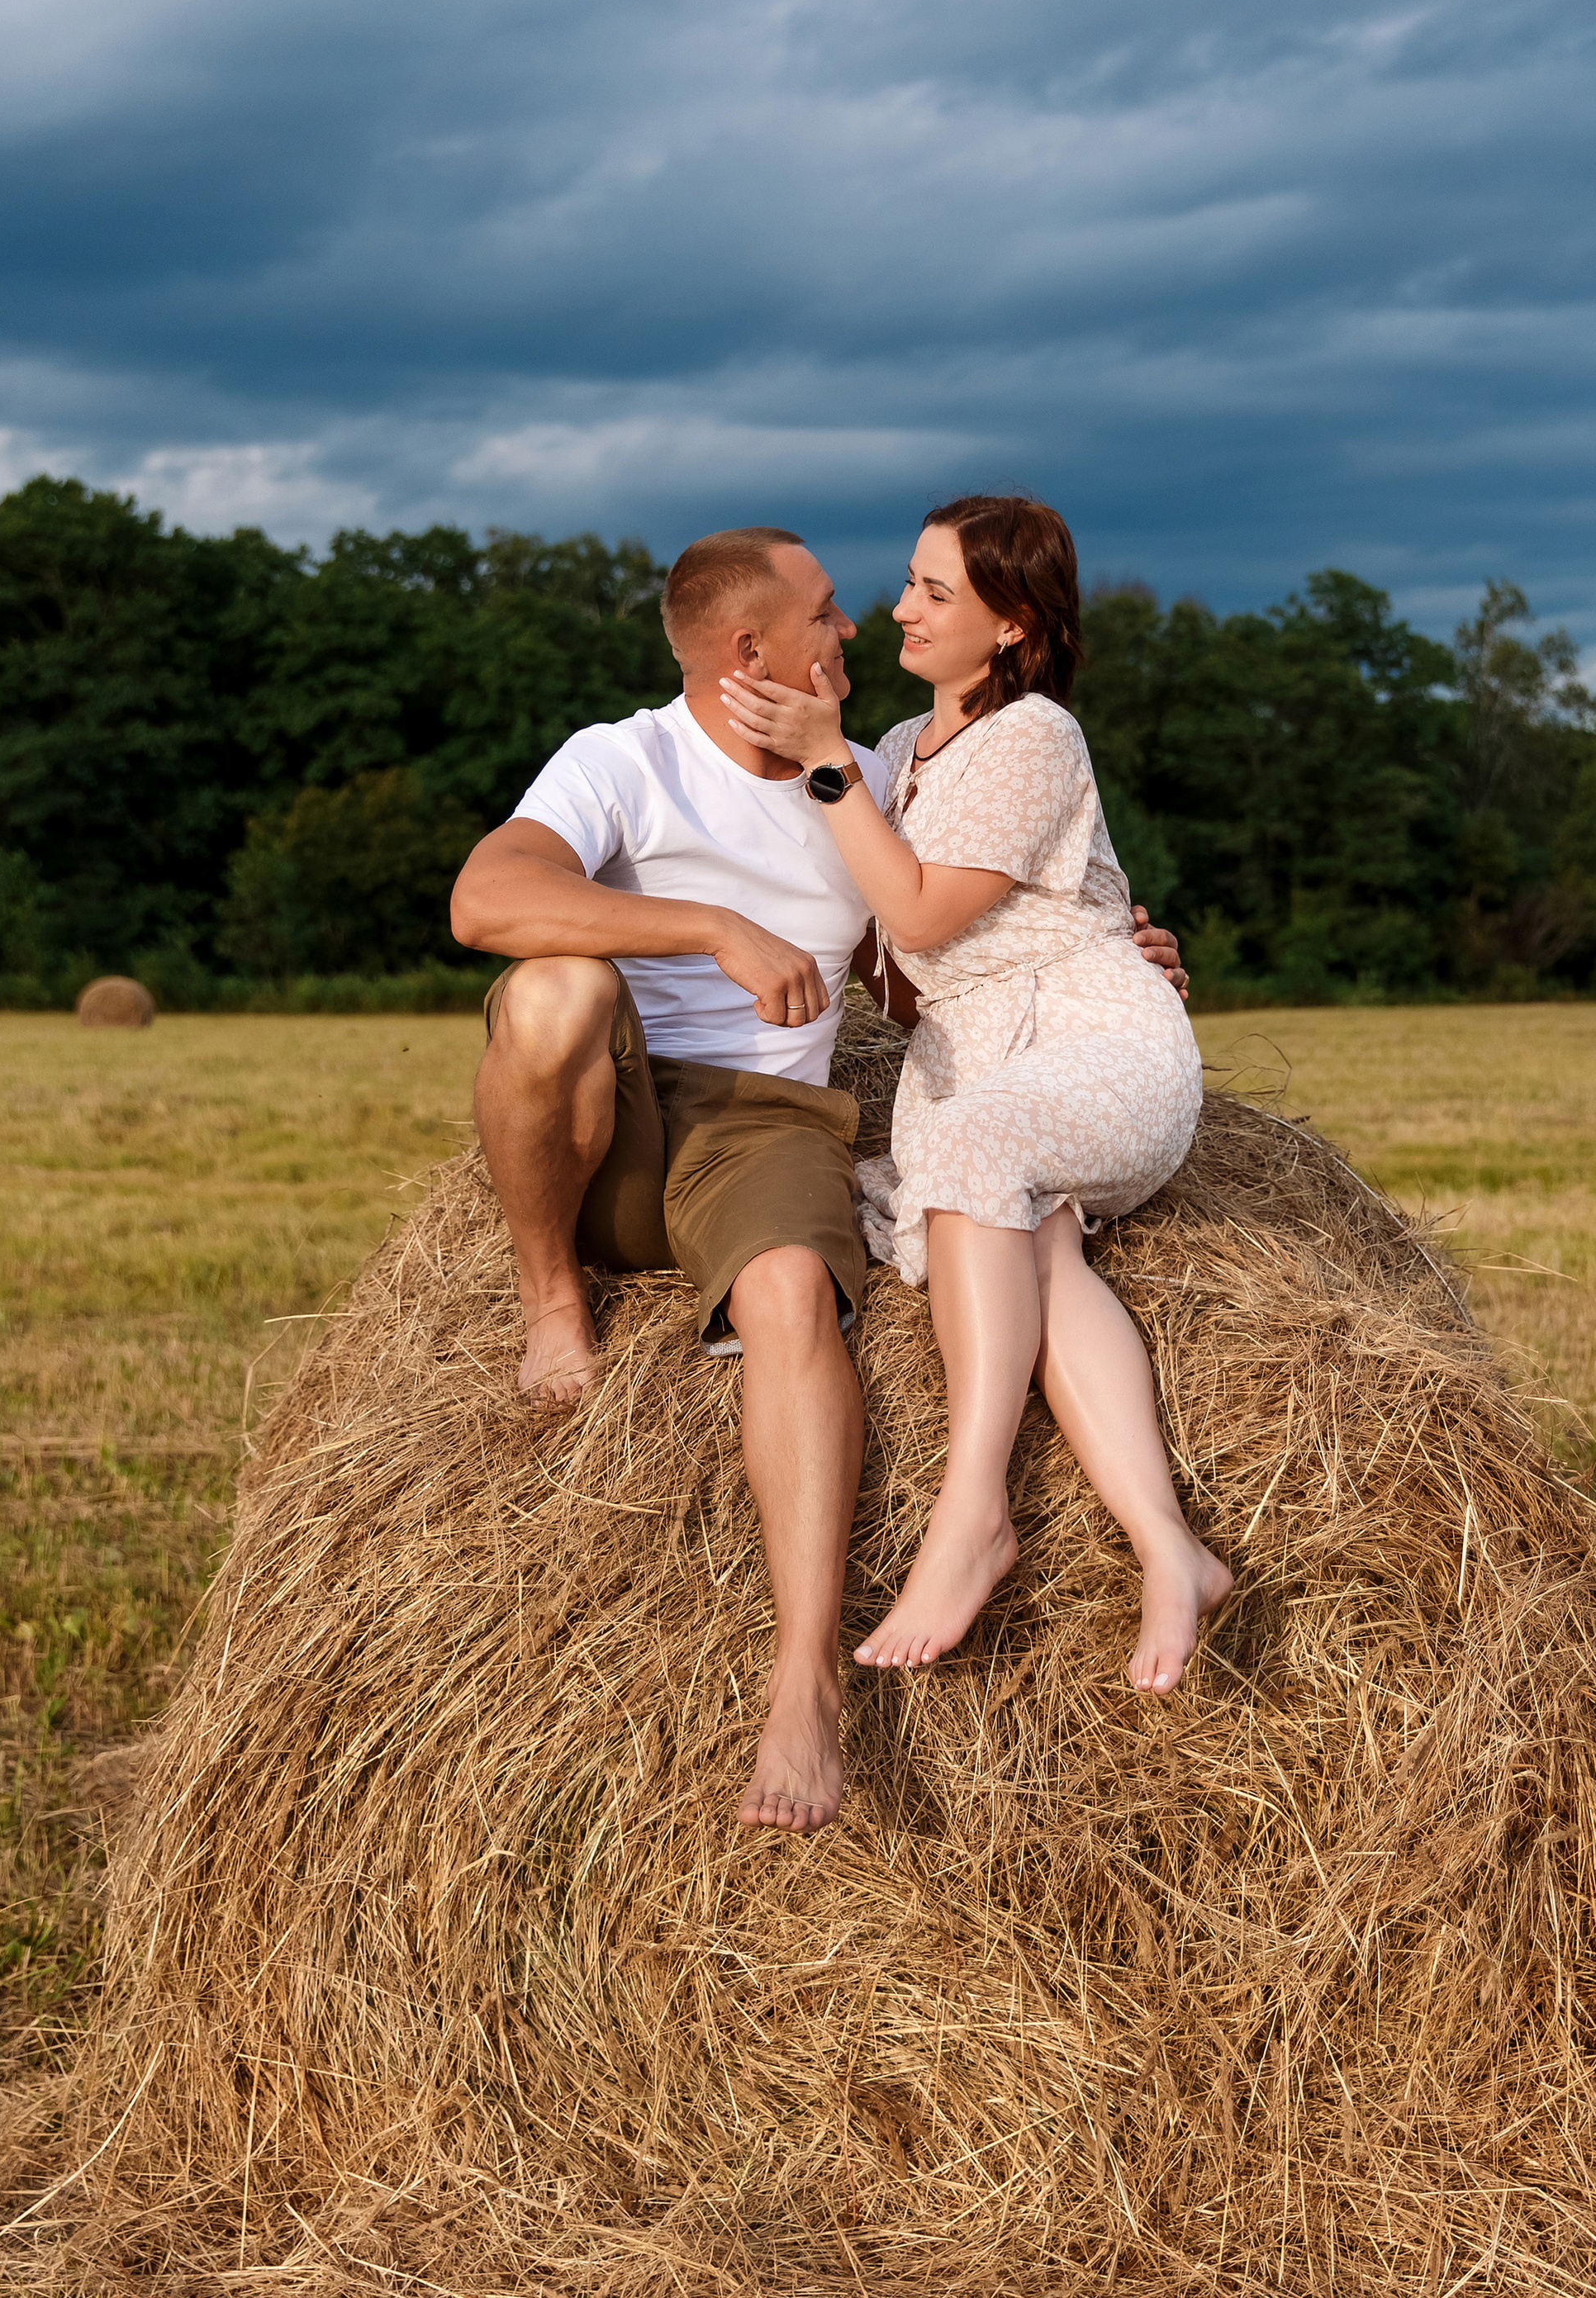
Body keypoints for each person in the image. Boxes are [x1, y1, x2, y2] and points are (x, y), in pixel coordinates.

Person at [448, 524, 1186, 1836]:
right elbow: (484, 901)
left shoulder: (863, 778)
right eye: (831, 611)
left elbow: (926, 952)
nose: (858, 627)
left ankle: (807, 1690)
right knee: (552, 993)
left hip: (770, 1126)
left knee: (794, 1291)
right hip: (618, 1106)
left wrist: (1105, 955)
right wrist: (712, 929)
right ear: (752, 649)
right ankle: (551, 1295)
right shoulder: (626, 758)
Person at [720, 493, 1233, 1698]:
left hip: (1098, 1041)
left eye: (935, 591)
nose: (901, 608)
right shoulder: (899, 749)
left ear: (1013, 626)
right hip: (977, 1063)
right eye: (908, 581)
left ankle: (972, 1510)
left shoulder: (1036, 734)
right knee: (1034, 1246)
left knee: (979, 1150)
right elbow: (894, 973)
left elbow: (919, 914)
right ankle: (1172, 1550)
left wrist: (825, 762)